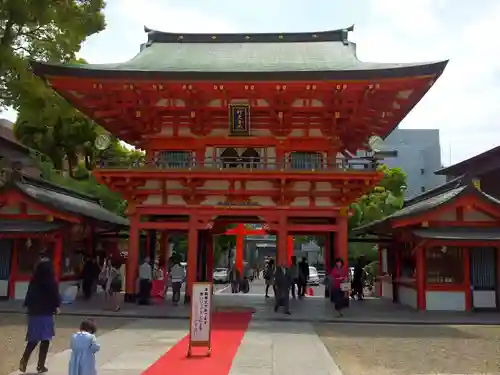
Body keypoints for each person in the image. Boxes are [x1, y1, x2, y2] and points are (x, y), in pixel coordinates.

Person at [19, 258, 61, 373]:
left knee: (33, 339)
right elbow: (54, 296)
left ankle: (24, 360)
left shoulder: (34, 281)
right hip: (46, 313)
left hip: (34, 313)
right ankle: (40, 365)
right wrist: (57, 307)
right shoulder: (51, 281)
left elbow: (29, 296)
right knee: (45, 340)